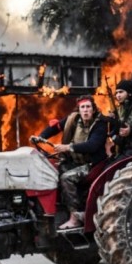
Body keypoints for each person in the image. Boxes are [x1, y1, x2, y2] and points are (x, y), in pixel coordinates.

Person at [35, 95, 108, 229]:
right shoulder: (73, 119)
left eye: (88, 107)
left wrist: (68, 147)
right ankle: (55, 211)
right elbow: (56, 127)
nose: (85, 110)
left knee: (66, 178)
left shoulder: (100, 124)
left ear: (93, 109)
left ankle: (76, 217)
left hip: (92, 165)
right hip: (75, 162)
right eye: (83, 107)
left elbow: (92, 145)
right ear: (79, 110)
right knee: (54, 171)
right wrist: (40, 137)